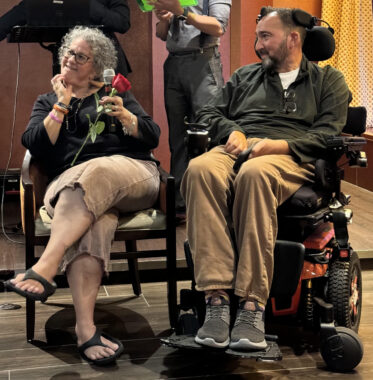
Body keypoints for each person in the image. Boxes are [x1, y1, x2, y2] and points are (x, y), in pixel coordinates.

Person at [181, 7, 349, 350]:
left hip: (290, 156)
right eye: (257, 36)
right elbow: (209, 112)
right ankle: (216, 300)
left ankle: (252, 305)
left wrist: (279, 145)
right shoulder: (245, 77)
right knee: (200, 169)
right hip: (240, 146)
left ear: (293, 39)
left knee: (256, 174)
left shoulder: (328, 81)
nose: (258, 45)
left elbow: (328, 135)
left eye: (265, 36)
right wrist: (234, 131)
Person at [5, 26, 160, 365]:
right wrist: (62, 103)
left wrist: (126, 116)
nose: (69, 59)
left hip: (130, 175)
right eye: (68, 52)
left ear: (97, 65)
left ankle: (45, 266)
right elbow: (35, 145)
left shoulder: (112, 93)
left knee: (99, 170)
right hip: (70, 188)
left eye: (80, 56)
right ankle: (86, 330)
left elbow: (152, 136)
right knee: (95, 220)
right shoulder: (47, 101)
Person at [150, 0, 231, 217]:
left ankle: (209, 203)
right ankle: (180, 203)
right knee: (177, 137)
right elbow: (161, 34)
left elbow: (218, 27)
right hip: (174, 62)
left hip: (203, 60)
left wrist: (182, 11)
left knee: (208, 134)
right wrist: (164, 19)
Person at [0, 0, 131, 76]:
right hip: (69, 69)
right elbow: (12, 18)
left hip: (106, 68)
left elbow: (122, 23)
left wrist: (87, 6)